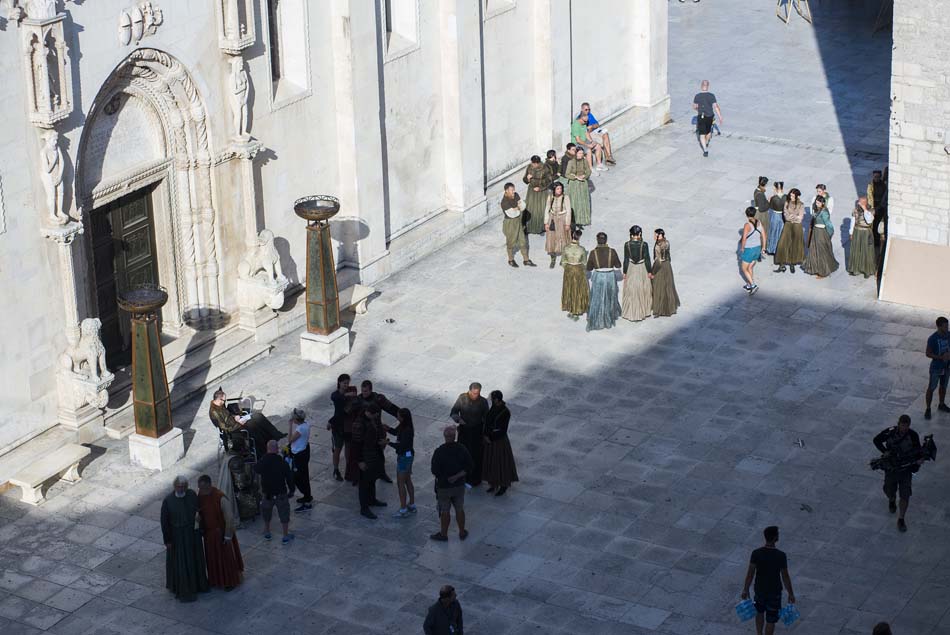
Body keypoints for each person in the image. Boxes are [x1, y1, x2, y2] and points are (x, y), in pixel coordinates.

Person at [161, 476, 209, 602]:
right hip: (177, 537)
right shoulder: (168, 501)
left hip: (192, 534)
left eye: (183, 486)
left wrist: (200, 522)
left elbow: (199, 511)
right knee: (181, 563)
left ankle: (198, 585)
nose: (181, 489)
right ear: (175, 486)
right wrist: (168, 541)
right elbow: (164, 522)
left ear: (187, 486)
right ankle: (182, 588)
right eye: (179, 486)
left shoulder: (192, 495)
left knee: (195, 559)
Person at [740, 526, 796, 635]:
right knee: (771, 620)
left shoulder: (756, 553)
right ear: (775, 537)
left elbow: (750, 574)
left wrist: (745, 589)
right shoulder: (781, 555)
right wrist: (791, 593)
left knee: (759, 612)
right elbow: (785, 576)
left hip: (759, 590)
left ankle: (759, 634)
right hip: (774, 592)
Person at [873, 415, 923, 532]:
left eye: (907, 426)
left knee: (905, 494)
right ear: (898, 423)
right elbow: (876, 440)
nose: (904, 428)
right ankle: (891, 499)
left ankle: (901, 519)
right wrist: (885, 452)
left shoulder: (913, 435)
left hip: (906, 470)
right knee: (888, 489)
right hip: (891, 468)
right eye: (903, 425)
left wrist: (919, 460)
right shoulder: (890, 432)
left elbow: (918, 451)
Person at [196, 474, 243, 590]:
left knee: (225, 559)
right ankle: (215, 580)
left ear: (210, 485)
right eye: (200, 488)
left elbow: (229, 518)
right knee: (212, 559)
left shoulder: (220, 497)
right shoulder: (200, 495)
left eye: (204, 488)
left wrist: (227, 536)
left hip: (221, 533)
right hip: (209, 534)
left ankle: (230, 581)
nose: (201, 490)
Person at [209, 389, 285, 458]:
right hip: (233, 430)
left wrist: (235, 416)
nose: (224, 401)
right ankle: (263, 450)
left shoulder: (220, 404)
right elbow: (225, 427)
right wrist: (239, 424)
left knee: (258, 416)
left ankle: (275, 434)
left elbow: (227, 415)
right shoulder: (214, 412)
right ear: (219, 399)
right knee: (253, 427)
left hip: (236, 422)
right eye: (223, 400)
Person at [430, 425, 473, 542]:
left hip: (444, 487)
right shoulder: (462, 449)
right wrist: (457, 476)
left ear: (445, 437)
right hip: (458, 486)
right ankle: (462, 532)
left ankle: (443, 534)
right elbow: (470, 466)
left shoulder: (439, 452)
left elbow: (434, 471)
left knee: (445, 510)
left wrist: (446, 477)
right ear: (454, 437)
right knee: (459, 508)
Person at [358, 380, 399, 483]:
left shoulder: (378, 398)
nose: (364, 393)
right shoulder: (358, 400)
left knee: (380, 454)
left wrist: (401, 415)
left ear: (371, 390)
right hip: (365, 432)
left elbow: (392, 408)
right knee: (364, 455)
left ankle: (382, 473)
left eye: (366, 391)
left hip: (378, 431)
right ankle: (361, 476)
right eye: (362, 391)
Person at [255, 440, 295, 543]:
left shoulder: (263, 461)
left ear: (267, 449)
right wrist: (292, 490)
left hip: (267, 494)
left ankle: (267, 531)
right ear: (277, 449)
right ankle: (285, 535)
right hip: (280, 493)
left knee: (266, 513)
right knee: (284, 514)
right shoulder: (282, 462)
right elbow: (289, 478)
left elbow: (256, 469)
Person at [450, 382, 489, 486]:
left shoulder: (483, 402)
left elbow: (487, 419)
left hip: (477, 432)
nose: (475, 396)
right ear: (469, 391)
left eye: (477, 393)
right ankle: (462, 477)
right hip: (464, 431)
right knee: (462, 453)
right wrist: (458, 419)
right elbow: (454, 411)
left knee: (476, 456)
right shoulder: (462, 398)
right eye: (473, 393)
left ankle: (475, 479)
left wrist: (486, 434)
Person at [352, 406, 388, 519]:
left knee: (372, 479)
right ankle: (364, 508)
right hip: (364, 456)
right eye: (375, 415)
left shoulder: (371, 419)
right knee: (363, 483)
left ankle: (372, 500)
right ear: (370, 413)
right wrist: (360, 461)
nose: (376, 417)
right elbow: (356, 444)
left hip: (373, 454)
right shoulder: (359, 424)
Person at [482, 390, 518, 496]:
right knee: (491, 463)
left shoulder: (505, 412)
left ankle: (503, 485)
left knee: (501, 464)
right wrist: (485, 435)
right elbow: (487, 422)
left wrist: (490, 438)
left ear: (497, 399)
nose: (492, 401)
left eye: (493, 399)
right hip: (490, 440)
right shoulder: (494, 407)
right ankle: (493, 484)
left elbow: (502, 430)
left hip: (498, 441)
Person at [586, 232, 622, 332]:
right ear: (606, 240)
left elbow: (589, 268)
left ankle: (598, 318)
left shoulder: (593, 253)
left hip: (599, 277)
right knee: (610, 296)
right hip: (610, 276)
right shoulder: (612, 251)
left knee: (597, 298)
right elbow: (618, 265)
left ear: (597, 240)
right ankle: (609, 317)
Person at [386, 407, 417, 518]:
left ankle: (403, 509)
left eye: (398, 415)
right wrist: (388, 428)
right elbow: (395, 432)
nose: (397, 416)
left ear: (402, 418)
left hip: (404, 457)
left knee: (400, 483)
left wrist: (387, 443)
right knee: (407, 480)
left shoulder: (407, 430)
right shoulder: (404, 426)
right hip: (409, 456)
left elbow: (401, 446)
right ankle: (412, 504)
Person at [621, 225, 653, 321]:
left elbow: (626, 259)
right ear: (639, 234)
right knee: (643, 289)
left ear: (631, 235)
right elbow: (647, 259)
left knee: (630, 289)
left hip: (631, 267)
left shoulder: (627, 244)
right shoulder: (644, 244)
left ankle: (630, 312)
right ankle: (644, 311)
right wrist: (649, 271)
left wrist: (625, 272)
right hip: (641, 267)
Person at [802, 195, 838, 278]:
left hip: (821, 233)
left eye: (818, 203)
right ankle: (816, 268)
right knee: (815, 251)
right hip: (816, 233)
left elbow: (829, 225)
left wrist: (828, 236)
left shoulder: (824, 212)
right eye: (816, 202)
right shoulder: (818, 210)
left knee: (822, 252)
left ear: (822, 203)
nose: (817, 204)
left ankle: (823, 271)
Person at [500, 182, 535, 268]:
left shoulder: (516, 195)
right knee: (511, 242)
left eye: (513, 189)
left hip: (518, 222)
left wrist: (517, 208)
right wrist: (517, 208)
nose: (513, 191)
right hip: (510, 223)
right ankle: (511, 260)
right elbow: (512, 214)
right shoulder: (504, 202)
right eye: (511, 190)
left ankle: (526, 260)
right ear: (506, 191)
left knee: (523, 241)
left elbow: (523, 205)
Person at [924, 316, 950, 420]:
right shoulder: (933, 338)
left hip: (947, 367)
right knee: (932, 388)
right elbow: (928, 353)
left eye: (947, 325)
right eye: (945, 326)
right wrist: (940, 357)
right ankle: (928, 408)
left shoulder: (949, 335)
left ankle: (941, 404)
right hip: (936, 368)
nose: (947, 328)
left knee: (943, 386)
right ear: (939, 327)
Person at [560, 229, 590, 320]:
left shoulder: (566, 248)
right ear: (579, 238)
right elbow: (585, 263)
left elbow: (563, 262)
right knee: (578, 290)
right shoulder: (582, 249)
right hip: (578, 270)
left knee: (569, 289)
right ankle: (576, 311)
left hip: (568, 270)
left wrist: (568, 267)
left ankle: (570, 308)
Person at [774, 188, 804, 274]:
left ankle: (792, 263)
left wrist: (792, 217)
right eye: (790, 195)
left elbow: (800, 218)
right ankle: (782, 263)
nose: (791, 197)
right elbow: (786, 215)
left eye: (793, 195)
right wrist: (794, 216)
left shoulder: (801, 204)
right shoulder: (787, 203)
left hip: (797, 227)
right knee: (783, 244)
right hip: (788, 225)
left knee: (794, 245)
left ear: (797, 196)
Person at [288, 408, 312, 513]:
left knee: (298, 477)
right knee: (304, 476)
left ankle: (307, 501)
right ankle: (307, 496)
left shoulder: (300, 429)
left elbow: (290, 440)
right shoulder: (305, 424)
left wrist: (289, 426)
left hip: (300, 455)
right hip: (304, 451)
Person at [651, 229, 680, 317]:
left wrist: (653, 272)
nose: (653, 236)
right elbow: (668, 255)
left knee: (658, 287)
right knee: (667, 286)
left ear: (659, 235)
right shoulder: (667, 242)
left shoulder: (658, 245)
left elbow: (658, 260)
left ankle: (659, 309)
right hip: (667, 265)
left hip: (660, 267)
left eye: (655, 234)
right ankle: (668, 307)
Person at [543, 182, 572, 267]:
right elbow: (547, 209)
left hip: (562, 219)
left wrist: (567, 223)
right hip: (552, 219)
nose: (560, 190)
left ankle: (563, 258)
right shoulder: (550, 197)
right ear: (554, 190)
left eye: (561, 188)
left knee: (563, 238)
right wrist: (546, 222)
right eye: (558, 189)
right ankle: (553, 258)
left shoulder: (565, 197)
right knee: (551, 239)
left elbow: (568, 211)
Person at [327, 374, 350, 482]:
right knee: (338, 449)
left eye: (347, 383)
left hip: (348, 426)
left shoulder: (349, 393)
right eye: (344, 383)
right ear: (339, 383)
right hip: (338, 427)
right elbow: (339, 405)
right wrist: (331, 422)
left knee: (348, 449)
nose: (346, 385)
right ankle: (336, 470)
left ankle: (348, 470)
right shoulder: (336, 395)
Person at [847, 196, 876, 278]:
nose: (858, 203)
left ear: (865, 203)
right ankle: (855, 269)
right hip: (857, 231)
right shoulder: (855, 210)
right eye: (858, 202)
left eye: (861, 202)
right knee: (856, 250)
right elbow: (853, 221)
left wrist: (864, 209)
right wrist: (851, 232)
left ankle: (867, 271)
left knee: (866, 251)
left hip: (866, 232)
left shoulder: (871, 210)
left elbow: (869, 220)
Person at [522, 155, 552, 235]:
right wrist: (528, 179)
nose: (534, 165)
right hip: (531, 191)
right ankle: (529, 227)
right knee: (530, 209)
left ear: (539, 163)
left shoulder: (545, 168)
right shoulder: (529, 167)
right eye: (533, 163)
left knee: (541, 209)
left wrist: (540, 188)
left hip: (541, 192)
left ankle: (541, 227)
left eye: (536, 163)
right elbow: (525, 180)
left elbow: (549, 180)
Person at [692, 80, 723, 157]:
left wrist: (698, 110)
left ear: (701, 86)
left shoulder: (697, 96)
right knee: (708, 133)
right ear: (708, 86)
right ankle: (706, 143)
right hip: (710, 116)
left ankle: (705, 150)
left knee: (702, 134)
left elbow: (695, 107)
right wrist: (720, 117)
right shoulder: (711, 95)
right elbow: (716, 107)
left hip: (701, 116)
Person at [739, 207, 765, 295]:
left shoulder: (747, 225)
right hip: (757, 248)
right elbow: (764, 236)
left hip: (749, 249)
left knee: (744, 268)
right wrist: (763, 247)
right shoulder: (759, 222)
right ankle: (749, 284)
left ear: (747, 215)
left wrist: (742, 248)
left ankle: (753, 285)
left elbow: (744, 239)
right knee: (750, 267)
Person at [565, 147, 592, 226]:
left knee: (583, 201)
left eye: (582, 153)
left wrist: (585, 176)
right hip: (574, 184)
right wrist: (576, 177)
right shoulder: (571, 162)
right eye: (580, 153)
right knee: (574, 201)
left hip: (583, 183)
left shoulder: (585, 161)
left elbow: (589, 171)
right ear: (576, 153)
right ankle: (575, 219)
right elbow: (567, 174)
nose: (581, 155)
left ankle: (582, 219)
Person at [868, 169, 887, 248]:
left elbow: (884, 196)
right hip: (873, 206)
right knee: (873, 225)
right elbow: (869, 196)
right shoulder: (870, 185)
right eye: (875, 176)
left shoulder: (883, 185)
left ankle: (878, 242)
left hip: (881, 207)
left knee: (879, 225)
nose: (876, 178)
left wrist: (880, 207)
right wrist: (872, 208)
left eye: (878, 177)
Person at [765, 182, 785, 256]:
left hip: (775, 215)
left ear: (776, 188)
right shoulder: (785, 197)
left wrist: (769, 200)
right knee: (780, 231)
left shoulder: (773, 198)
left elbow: (770, 207)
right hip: (782, 215)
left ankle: (771, 248)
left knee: (773, 231)